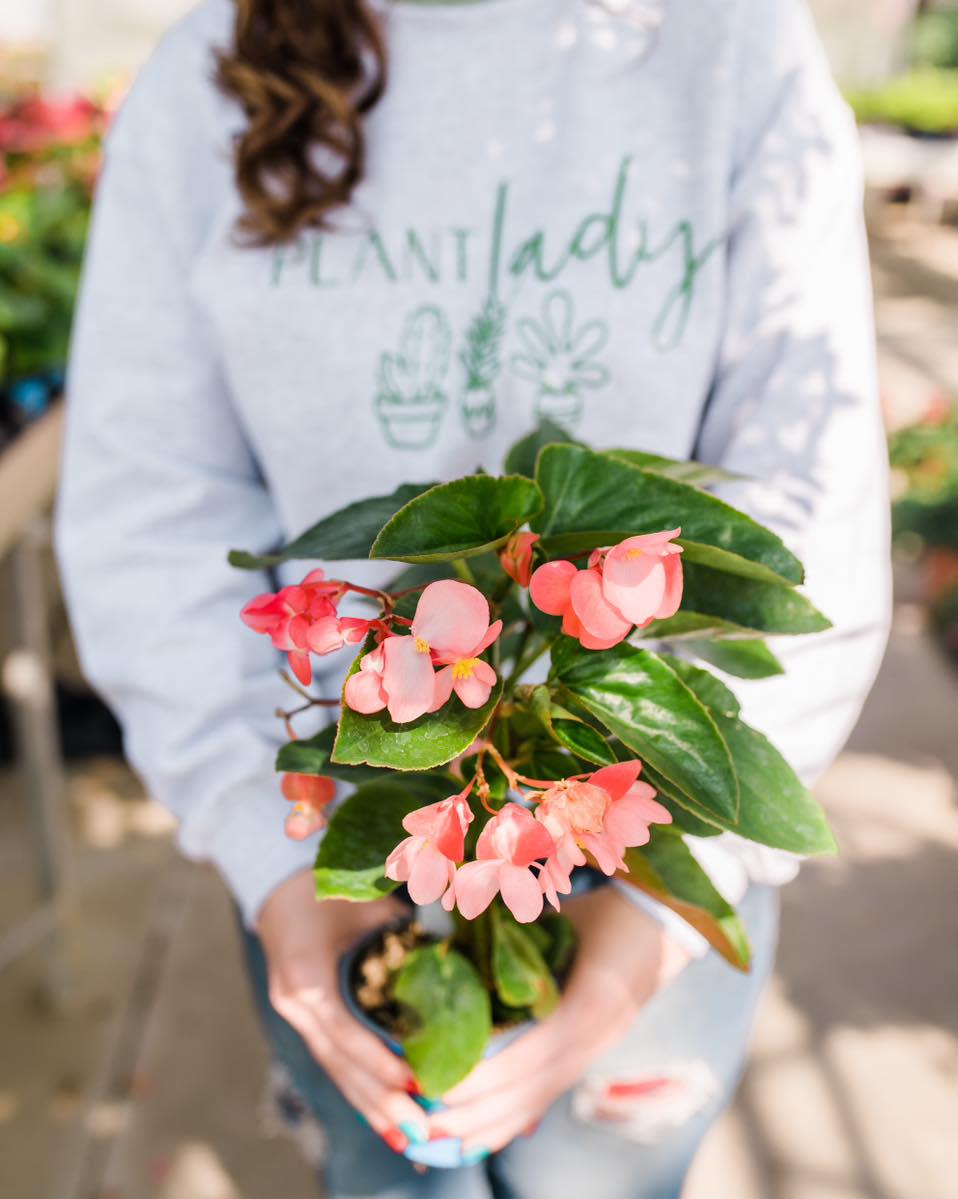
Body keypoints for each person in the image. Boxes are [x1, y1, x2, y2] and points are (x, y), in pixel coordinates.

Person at [55, 1, 891, 1195]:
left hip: (640, 840)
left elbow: (811, 506)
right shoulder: (209, 78)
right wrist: (263, 843)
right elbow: (151, 504)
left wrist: (652, 920)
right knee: (388, 1173)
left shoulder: (727, 42)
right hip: (337, 863)